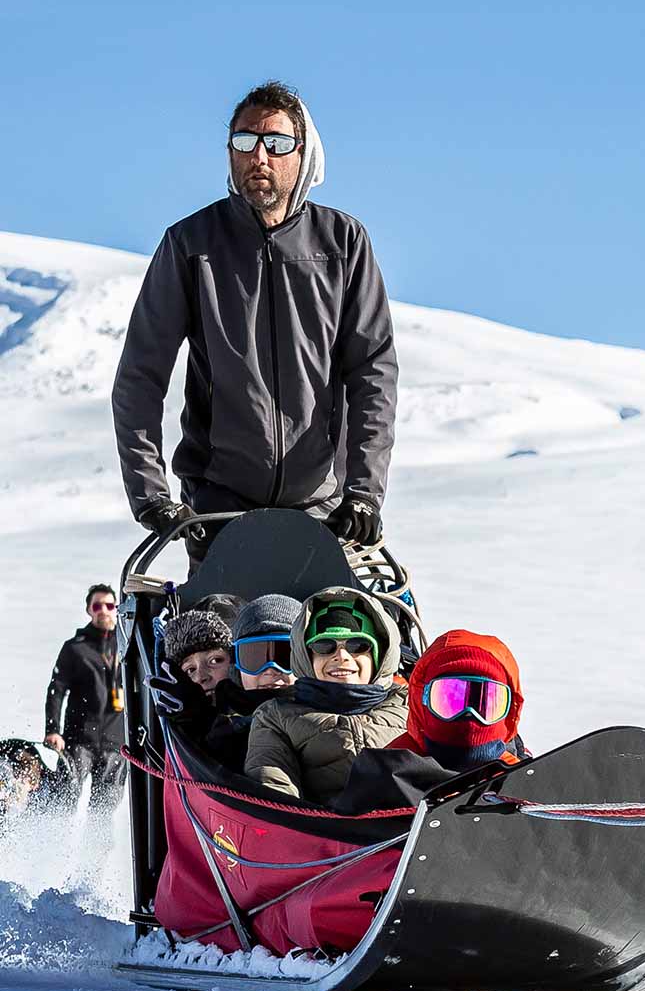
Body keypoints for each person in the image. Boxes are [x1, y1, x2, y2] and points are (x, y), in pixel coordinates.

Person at [111, 79, 398, 566]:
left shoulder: (343, 243)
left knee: (337, 641)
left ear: (302, 154)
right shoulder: (191, 244)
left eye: (276, 143)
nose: (259, 156)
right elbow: (140, 374)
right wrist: (151, 495)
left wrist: (364, 492)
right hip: (218, 512)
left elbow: (372, 372)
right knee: (215, 640)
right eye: (244, 141)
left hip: (321, 510)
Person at [331, 629, 530, 814]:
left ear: (510, 708)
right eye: (450, 699)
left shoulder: (523, 776)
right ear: (422, 699)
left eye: (486, 703)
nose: (468, 715)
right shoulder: (385, 777)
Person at [244, 588, 408, 801]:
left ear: (379, 656)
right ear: (306, 657)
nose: (341, 656)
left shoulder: (409, 706)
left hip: (406, 827)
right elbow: (273, 787)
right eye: (324, 646)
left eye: (358, 645)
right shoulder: (277, 717)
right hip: (320, 829)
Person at [149, 594, 303, 773]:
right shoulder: (182, 725)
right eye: (190, 670)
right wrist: (192, 725)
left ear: (236, 663)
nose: (201, 677)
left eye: (215, 660)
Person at [44, 584, 126, 811]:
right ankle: (55, 842)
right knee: (64, 799)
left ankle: (99, 847)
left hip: (115, 742)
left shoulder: (126, 646)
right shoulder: (74, 649)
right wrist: (52, 730)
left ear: (116, 609)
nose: (103, 610)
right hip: (78, 740)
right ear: (89, 610)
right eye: (97, 605)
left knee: (105, 807)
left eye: (109, 605)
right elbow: (56, 690)